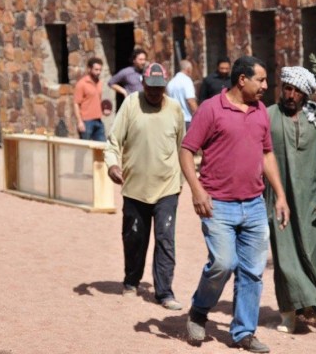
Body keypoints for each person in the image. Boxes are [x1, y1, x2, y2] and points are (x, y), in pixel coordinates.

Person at [180, 56, 290, 353]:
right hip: (218, 204)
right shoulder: (211, 109)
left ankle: (244, 332)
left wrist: (280, 195)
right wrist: (197, 190)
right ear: (242, 80)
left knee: (252, 271)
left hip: (254, 204)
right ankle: (199, 310)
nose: (266, 86)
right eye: (261, 80)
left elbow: (266, 154)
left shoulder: (260, 111)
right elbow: (187, 151)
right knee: (223, 263)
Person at [104, 62, 185, 311]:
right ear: (143, 84)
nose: (154, 92)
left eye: (159, 88)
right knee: (134, 237)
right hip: (135, 187)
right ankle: (131, 281)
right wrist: (112, 165)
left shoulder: (174, 109)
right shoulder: (131, 104)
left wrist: (183, 181)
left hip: (167, 187)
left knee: (165, 239)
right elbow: (114, 141)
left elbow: (183, 147)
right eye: (150, 87)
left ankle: (164, 292)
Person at [264, 66, 316, 334]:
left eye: (297, 91)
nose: (290, 95)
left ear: (305, 95)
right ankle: (289, 313)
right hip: (278, 198)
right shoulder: (268, 116)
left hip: (312, 199)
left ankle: (311, 305)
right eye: (287, 88)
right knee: (286, 258)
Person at [73, 57, 105, 142]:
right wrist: (79, 122)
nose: (98, 72)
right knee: (84, 147)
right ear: (89, 69)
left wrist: (103, 110)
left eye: (100, 70)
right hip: (86, 121)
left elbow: (97, 100)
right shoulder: (82, 84)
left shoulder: (99, 82)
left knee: (102, 147)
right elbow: (76, 103)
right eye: (96, 70)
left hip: (98, 120)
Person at [166, 59, 198, 130]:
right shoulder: (187, 81)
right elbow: (191, 101)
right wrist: (199, 116)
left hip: (174, 119)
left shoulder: (171, 83)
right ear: (188, 69)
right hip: (186, 119)